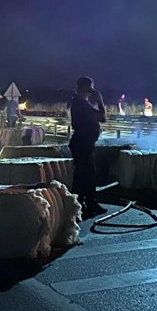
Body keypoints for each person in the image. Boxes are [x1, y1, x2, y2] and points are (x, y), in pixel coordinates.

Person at [69, 76, 106, 217]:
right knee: (87, 173)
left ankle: (84, 202)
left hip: (83, 142)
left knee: (83, 174)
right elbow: (102, 117)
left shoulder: (80, 103)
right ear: (85, 89)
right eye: (90, 89)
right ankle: (86, 203)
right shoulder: (81, 104)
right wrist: (100, 101)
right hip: (83, 143)